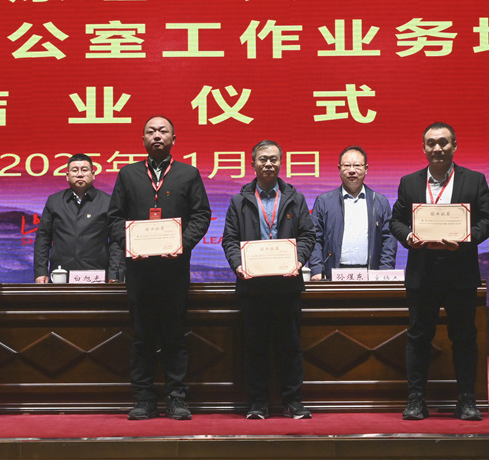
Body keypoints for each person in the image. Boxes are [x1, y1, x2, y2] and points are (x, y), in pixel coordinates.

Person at [390, 122, 489, 421]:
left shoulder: (474, 180)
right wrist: (408, 237)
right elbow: (396, 221)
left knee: (464, 337)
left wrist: (465, 239)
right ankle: (416, 400)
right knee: (418, 337)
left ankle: (467, 400)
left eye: (443, 142)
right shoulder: (409, 182)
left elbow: (488, 221)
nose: (437, 148)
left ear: (454, 146)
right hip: (422, 272)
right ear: (423, 148)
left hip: (460, 269)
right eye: (431, 143)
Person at [108, 116, 211, 420]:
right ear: (142, 139)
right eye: (151, 131)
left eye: (163, 131)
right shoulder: (127, 174)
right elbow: (114, 217)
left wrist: (181, 244)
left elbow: (201, 215)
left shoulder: (188, 174)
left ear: (173, 139)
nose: (157, 135)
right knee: (142, 336)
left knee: (174, 335)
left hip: (174, 270)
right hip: (139, 271)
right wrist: (130, 244)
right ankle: (143, 398)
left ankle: (176, 398)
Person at [221, 140, 316, 420]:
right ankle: (258, 402)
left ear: (280, 163)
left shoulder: (295, 198)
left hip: (287, 285)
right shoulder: (239, 200)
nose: (268, 164)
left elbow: (308, 235)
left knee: (290, 345)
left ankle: (293, 400)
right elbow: (229, 240)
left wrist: (299, 261)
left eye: (274, 159)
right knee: (255, 347)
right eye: (263, 159)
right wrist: (238, 265)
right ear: (252, 164)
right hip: (253, 286)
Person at [309, 145, 397, 280]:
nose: (352, 171)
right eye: (346, 166)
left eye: (357, 166)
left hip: (370, 274)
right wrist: (316, 268)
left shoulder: (380, 201)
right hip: (333, 274)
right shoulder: (324, 201)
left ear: (366, 169)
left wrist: (385, 271)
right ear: (339, 169)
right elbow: (315, 238)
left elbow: (389, 239)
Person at [33, 153, 123, 283]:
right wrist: (41, 272)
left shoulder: (108, 202)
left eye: (84, 170)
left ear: (93, 174)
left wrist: (114, 275)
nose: (80, 174)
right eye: (75, 170)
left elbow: (116, 242)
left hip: (97, 275)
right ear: (67, 176)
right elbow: (43, 238)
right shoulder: (54, 201)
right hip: (61, 275)